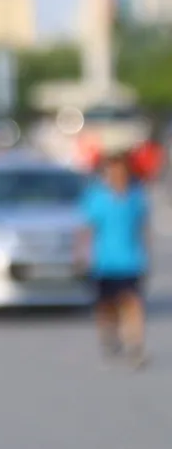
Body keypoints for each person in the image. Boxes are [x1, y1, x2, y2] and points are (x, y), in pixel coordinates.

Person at [78, 153, 150, 369]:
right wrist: (81, 255)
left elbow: (142, 226)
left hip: (130, 261)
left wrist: (146, 255)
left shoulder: (135, 196)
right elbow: (86, 229)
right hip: (104, 263)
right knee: (107, 306)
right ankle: (110, 335)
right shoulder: (96, 197)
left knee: (132, 303)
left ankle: (135, 345)